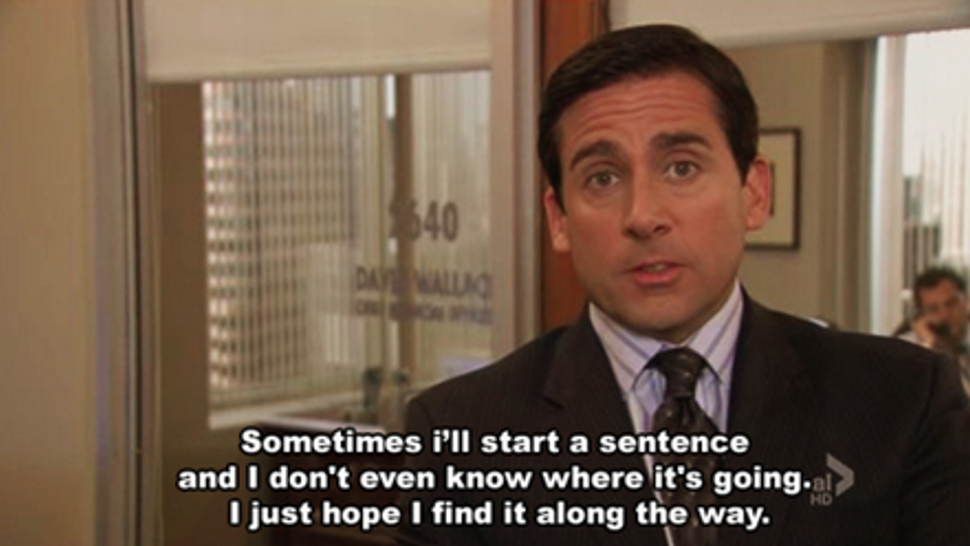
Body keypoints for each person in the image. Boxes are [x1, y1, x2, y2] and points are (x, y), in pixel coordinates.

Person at [396, 25, 970, 546]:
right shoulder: (456, 435)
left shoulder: (904, 400)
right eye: (603, 177)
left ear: (754, 194)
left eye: (681, 167)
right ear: (559, 219)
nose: (643, 215)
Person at [898, 266, 970, 393]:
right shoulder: (906, 349)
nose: (945, 314)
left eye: (951, 303)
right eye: (933, 309)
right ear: (922, 314)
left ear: (966, 300)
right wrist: (932, 344)